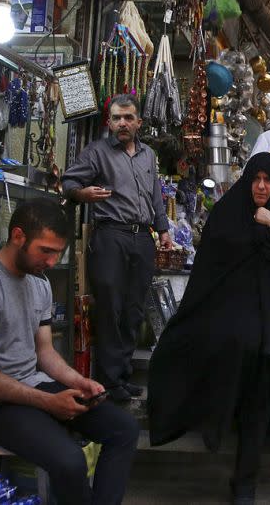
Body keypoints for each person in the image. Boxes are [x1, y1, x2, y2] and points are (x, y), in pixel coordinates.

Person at [0, 198, 140, 505]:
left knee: (124, 429)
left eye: (58, 253)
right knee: (69, 461)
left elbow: (46, 352)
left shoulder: (39, 284)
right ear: (18, 236)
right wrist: (49, 402)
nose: (52, 262)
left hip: (33, 385)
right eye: (46, 250)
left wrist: (79, 382)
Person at [148, 153, 270, 505]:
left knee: (258, 399)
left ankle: (244, 481)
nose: (261, 186)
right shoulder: (229, 213)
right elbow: (208, 273)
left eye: (269, 180)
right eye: (256, 179)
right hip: (229, 321)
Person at [61, 94, 173, 401]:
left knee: (133, 309)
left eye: (128, 118)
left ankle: (121, 375)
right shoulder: (97, 152)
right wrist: (83, 194)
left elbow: (154, 196)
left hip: (142, 238)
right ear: (109, 122)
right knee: (110, 306)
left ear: (138, 122)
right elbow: (68, 183)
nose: (122, 123)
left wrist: (163, 231)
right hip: (111, 236)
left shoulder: (148, 155)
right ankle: (108, 380)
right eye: (116, 118)